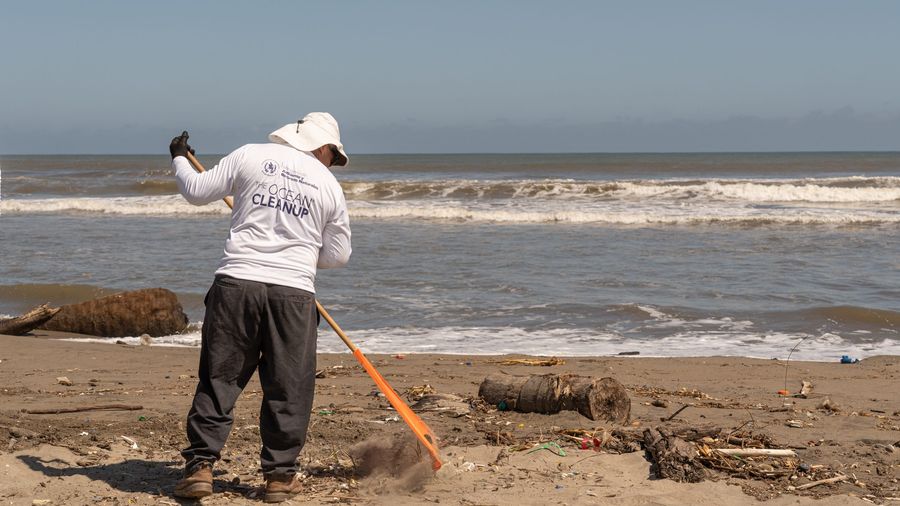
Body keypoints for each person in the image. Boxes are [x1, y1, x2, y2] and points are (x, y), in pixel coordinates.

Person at [169, 112, 352, 502]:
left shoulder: (249, 154)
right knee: (289, 386)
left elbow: (196, 190)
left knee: (220, 378)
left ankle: (200, 467)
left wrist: (179, 157)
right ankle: (279, 478)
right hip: (294, 294)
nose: (332, 163)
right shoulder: (329, 185)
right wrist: (300, 250)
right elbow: (338, 255)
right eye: (333, 156)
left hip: (237, 283)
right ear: (323, 147)